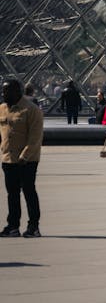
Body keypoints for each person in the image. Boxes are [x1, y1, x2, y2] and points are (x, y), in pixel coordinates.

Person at [0, 78, 44, 238]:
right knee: (12, 194)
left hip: (27, 160)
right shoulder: (2, 109)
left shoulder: (31, 110)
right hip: (8, 158)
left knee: (28, 192)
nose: (3, 93)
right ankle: (12, 226)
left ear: (18, 91)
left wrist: (24, 156)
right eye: (3, 90)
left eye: (7, 90)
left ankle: (33, 226)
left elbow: (35, 137)